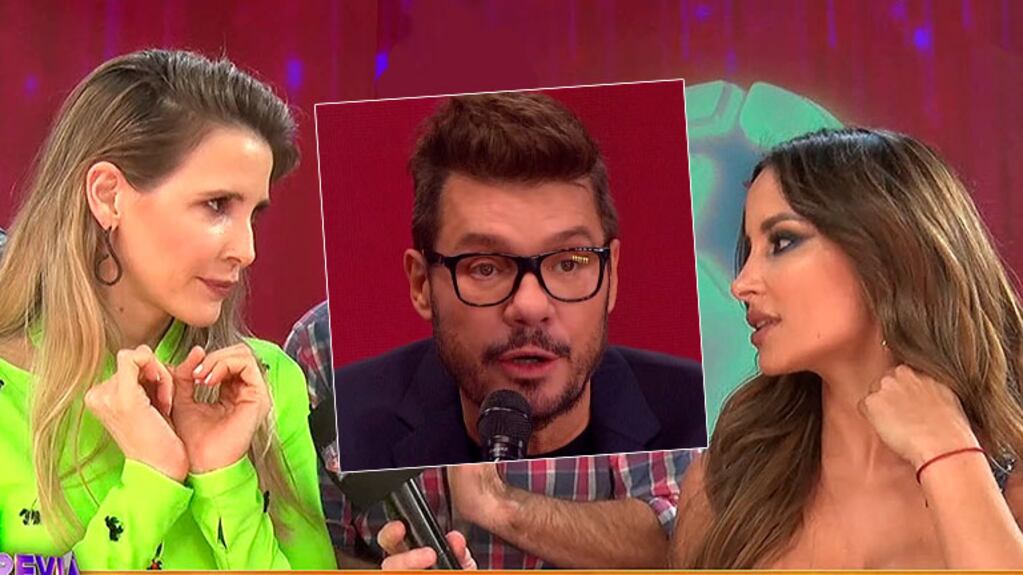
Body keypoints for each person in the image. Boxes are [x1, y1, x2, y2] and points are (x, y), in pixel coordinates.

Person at [0, 50, 335, 570]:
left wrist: (224, 477)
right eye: (217, 205)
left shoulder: (267, 383)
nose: (246, 250)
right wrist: (151, 482)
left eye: (253, 214)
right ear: (108, 196)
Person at [670, 127, 1023, 569]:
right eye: (750, 249)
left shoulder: (1011, 486)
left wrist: (947, 452)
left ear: (889, 251)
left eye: (782, 242)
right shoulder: (723, 486)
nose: (741, 284)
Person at [336, 91, 706, 472]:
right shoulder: (343, 428)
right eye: (485, 268)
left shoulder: (703, 419)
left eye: (568, 263)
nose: (530, 306)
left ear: (611, 275)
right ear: (421, 285)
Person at [285, 300, 695, 569]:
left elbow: (679, 542)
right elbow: (312, 552)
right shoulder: (323, 345)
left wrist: (499, 505)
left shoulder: (628, 340)